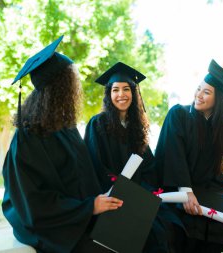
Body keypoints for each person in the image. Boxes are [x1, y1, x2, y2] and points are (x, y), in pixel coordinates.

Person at [2, 36, 123, 253]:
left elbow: (83, 177)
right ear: (59, 89)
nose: (76, 88)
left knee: (139, 233)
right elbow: (33, 203)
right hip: (51, 227)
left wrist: (103, 199)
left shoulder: (66, 128)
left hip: (80, 216)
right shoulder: (28, 137)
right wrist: (89, 207)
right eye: (71, 82)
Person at [155, 59, 223, 252]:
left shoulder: (221, 128)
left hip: (211, 209)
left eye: (207, 92)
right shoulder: (179, 115)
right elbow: (173, 153)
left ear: (218, 99)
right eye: (198, 89)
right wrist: (185, 191)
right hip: (184, 205)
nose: (199, 95)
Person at [84, 62, 183, 253]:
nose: (121, 95)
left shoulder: (137, 127)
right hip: (112, 197)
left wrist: (144, 192)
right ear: (109, 94)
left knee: (169, 226)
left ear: (134, 93)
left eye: (126, 89)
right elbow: (94, 165)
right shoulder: (98, 124)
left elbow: (149, 168)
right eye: (115, 90)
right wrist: (121, 190)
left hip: (137, 197)